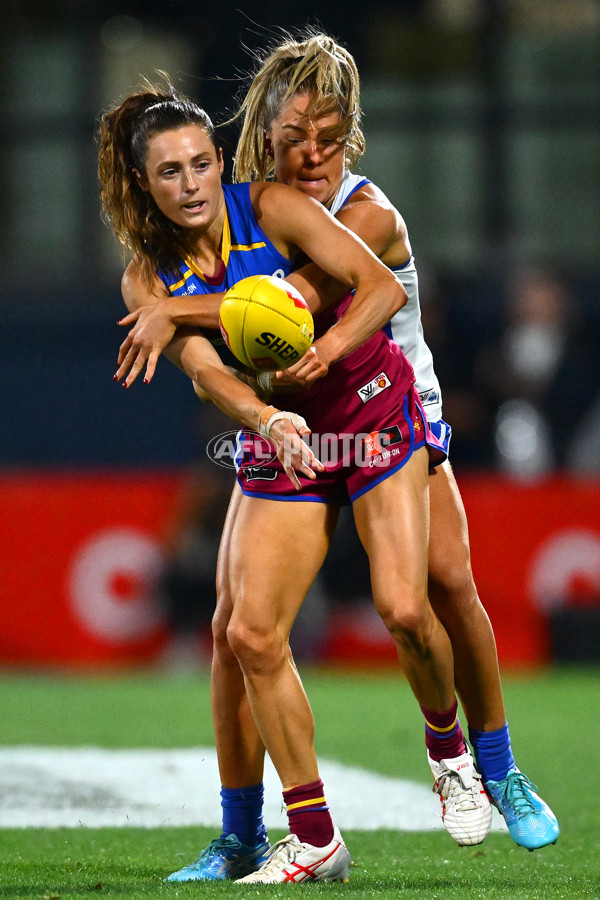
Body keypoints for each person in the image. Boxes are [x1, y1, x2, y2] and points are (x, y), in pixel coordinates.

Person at [116, 33, 559, 878]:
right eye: (295, 134)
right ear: (265, 135)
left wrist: (174, 311)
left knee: (440, 587)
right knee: (232, 629)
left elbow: (292, 305)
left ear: (352, 133)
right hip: (290, 421)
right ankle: (245, 834)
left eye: (329, 133)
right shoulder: (254, 202)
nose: (312, 151)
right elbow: (241, 340)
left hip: (392, 406)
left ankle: (494, 770)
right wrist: (207, 351)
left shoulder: (364, 211)